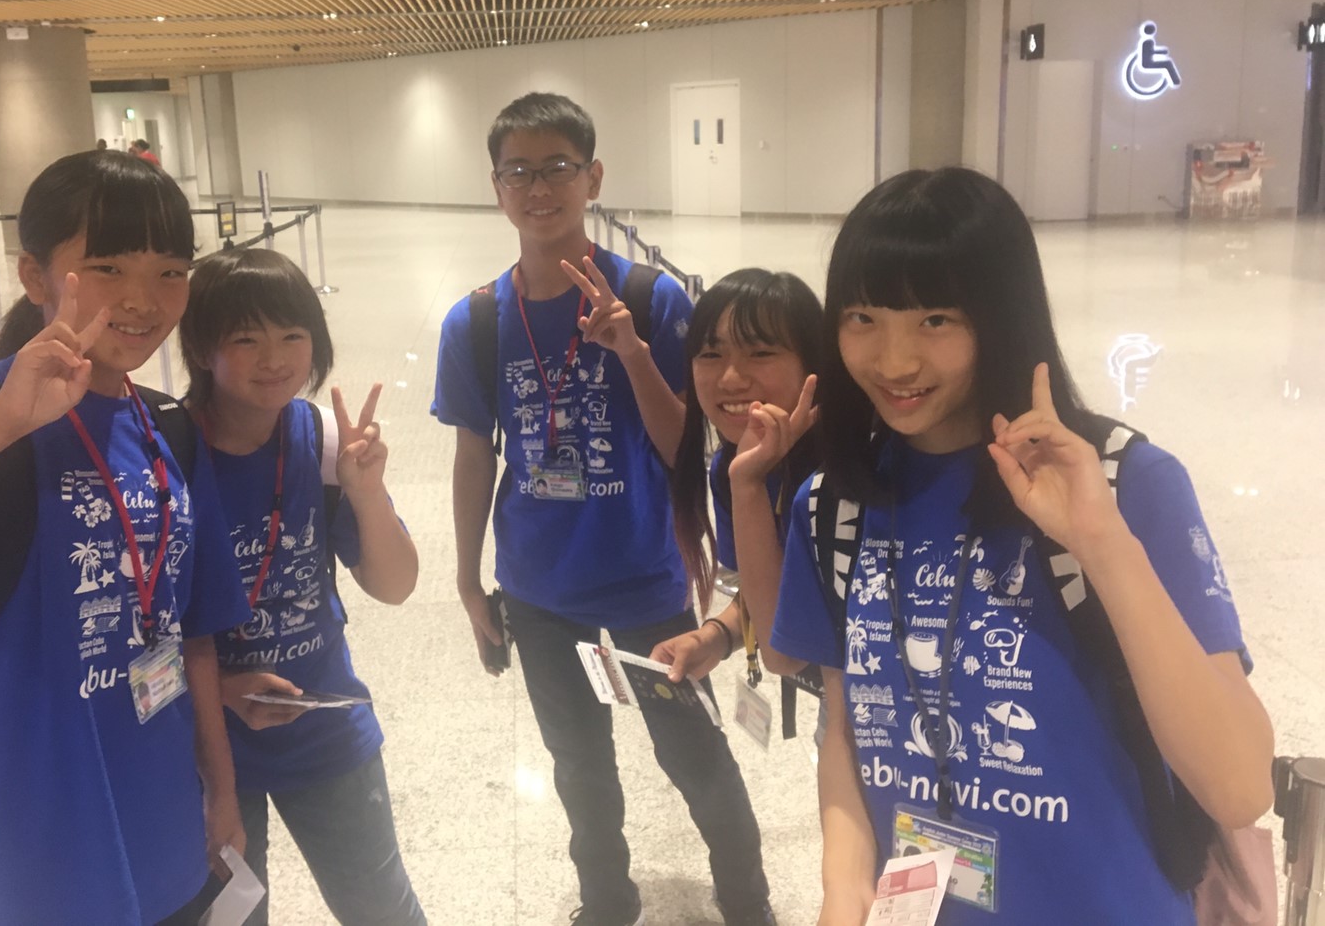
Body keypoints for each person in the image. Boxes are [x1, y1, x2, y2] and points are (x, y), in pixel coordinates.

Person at [769, 168, 1275, 925]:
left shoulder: (1125, 483)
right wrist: (843, 894)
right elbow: (844, 729)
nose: (894, 361)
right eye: (863, 317)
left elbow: (1240, 787)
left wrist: (1100, 541)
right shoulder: (835, 506)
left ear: (1000, 318)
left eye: (936, 319)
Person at [0, 150, 250, 925]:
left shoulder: (166, 428)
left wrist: (222, 790)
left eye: (170, 271)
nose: (143, 299)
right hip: (11, 846)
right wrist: (0, 425)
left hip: (158, 820)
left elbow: (191, 630)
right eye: (107, 267)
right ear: (35, 276)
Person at [432, 92, 773, 926]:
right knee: (578, 767)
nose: (538, 187)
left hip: (645, 584)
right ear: (496, 188)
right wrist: (470, 580)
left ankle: (749, 903)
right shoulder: (476, 321)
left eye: (557, 167)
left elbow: (682, 445)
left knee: (694, 757)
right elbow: (474, 455)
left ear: (593, 177)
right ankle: (606, 903)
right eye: (518, 171)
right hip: (539, 591)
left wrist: (630, 350)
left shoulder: (653, 299)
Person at [179, 247, 426, 926]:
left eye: (292, 335)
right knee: (230, 917)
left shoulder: (317, 439)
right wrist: (223, 689)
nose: (274, 358)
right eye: (245, 339)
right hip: (202, 744)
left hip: (322, 722)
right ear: (201, 347)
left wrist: (366, 492)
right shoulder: (165, 454)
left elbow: (395, 585)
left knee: (382, 909)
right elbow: (135, 631)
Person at [649, 269, 821, 695]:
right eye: (710, 354)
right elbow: (771, 585)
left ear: (814, 363)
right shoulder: (735, 467)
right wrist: (717, 636)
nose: (730, 379)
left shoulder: (845, 475)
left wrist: (747, 486)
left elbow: (782, 653)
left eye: (760, 352)